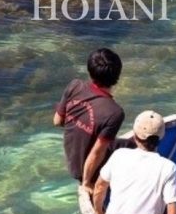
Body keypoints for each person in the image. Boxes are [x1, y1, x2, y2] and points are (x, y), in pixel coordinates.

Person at [53, 47, 124, 191]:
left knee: (121, 143)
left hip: (72, 161)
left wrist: (80, 124)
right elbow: (96, 153)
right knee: (137, 148)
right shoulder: (114, 112)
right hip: (86, 172)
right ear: (117, 76)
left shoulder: (74, 86)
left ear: (90, 71)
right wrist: (86, 183)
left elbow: (57, 121)